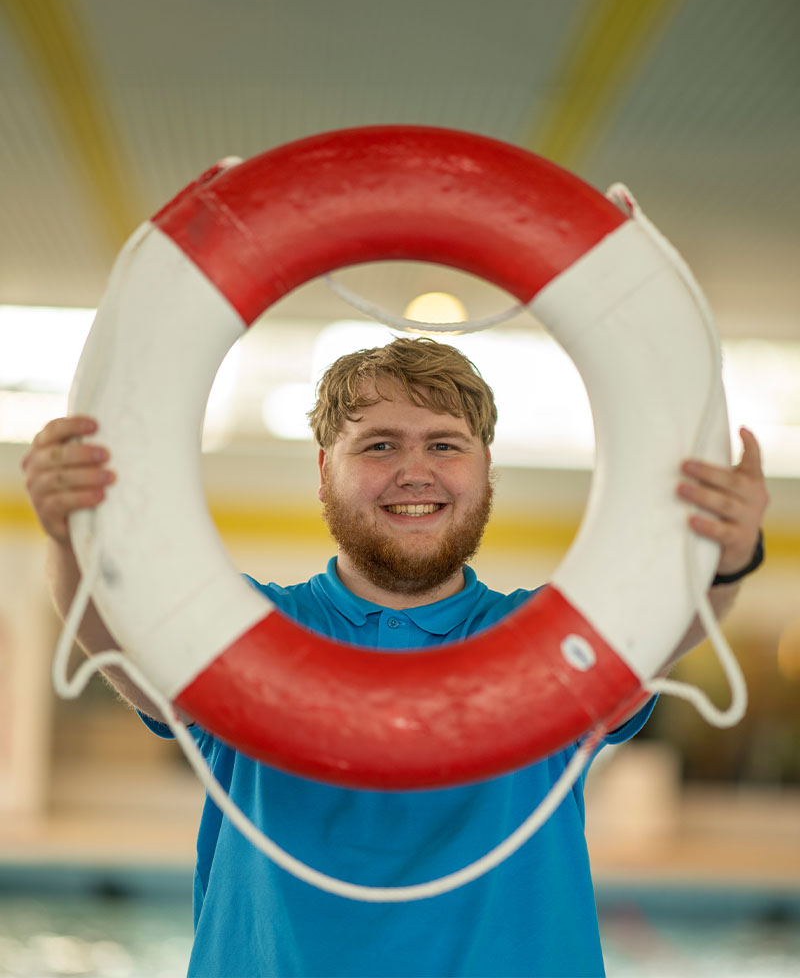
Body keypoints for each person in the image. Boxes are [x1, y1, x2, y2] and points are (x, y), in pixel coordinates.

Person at [22, 337, 768, 978]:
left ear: (485, 470)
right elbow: (114, 638)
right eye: (379, 445)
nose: (416, 471)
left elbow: (671, 628)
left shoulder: (543, 636)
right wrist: (68, 534)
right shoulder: (248, 626)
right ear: (324, 469)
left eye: (444, 444)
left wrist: (728, 562)